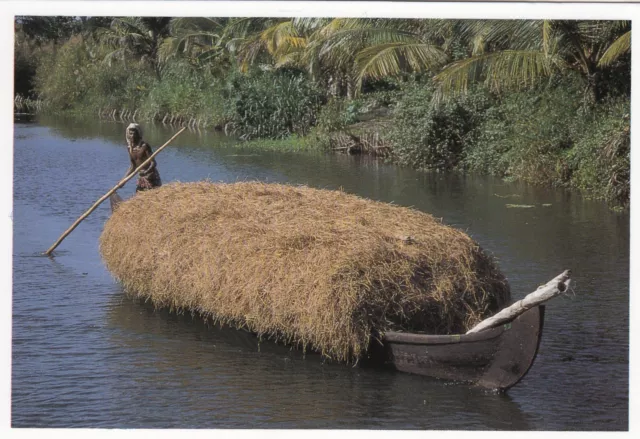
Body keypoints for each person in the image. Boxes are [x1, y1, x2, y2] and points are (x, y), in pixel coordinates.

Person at [124, 123, 162, 192]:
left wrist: (146, 172)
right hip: (141, 178)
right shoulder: (130, 148)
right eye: (131, 134)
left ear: (138, 135)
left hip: (151, 177)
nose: (132, 136)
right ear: (128, 135)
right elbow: (133, 166)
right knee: (138, 195)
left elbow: (153, 163)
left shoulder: (144, 146)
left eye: (134, 134)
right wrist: (123, 180)